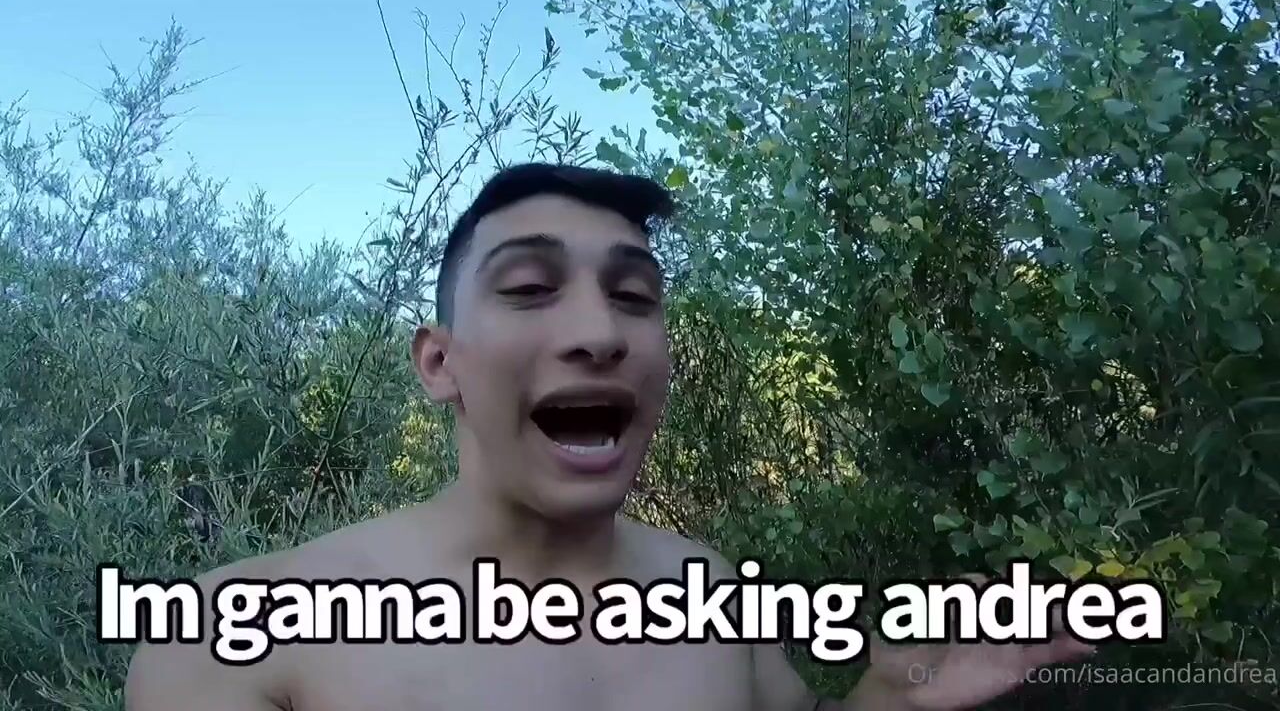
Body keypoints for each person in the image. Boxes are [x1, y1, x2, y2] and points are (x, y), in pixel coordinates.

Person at [124, 163, 1094, 710]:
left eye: (634, 295)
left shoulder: (712, 596)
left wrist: (893, 697)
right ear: (439, 362)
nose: (600, 331)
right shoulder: (230, 639)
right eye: (528, 287)